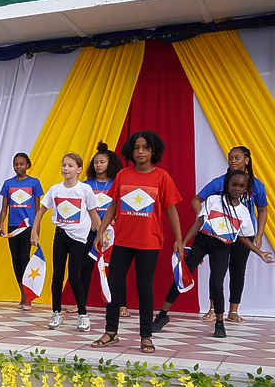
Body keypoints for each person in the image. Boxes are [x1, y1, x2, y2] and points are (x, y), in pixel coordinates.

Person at [90, 131, 184, 354]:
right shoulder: (123, 175)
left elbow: (171, 210)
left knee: (144, 288)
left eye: (145, 148)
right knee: (114, 284)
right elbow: (113, 206)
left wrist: (179, 240)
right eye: (136, 148)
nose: (140, 152)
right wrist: (100, 232)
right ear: (130, 151)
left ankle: (146, 335)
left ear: (153, 151)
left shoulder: (162, 177)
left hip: (149, 242)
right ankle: (111, 331)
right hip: (122, 240)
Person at [151, 170, 273, 338]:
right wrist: (183, 242)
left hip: (222, 247)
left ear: (246, 189)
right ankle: (162, 315)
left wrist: (260, 253)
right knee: (182, 277)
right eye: (234, 185)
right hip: (202, 242)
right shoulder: (213, 200)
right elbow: (199, 222)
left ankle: (219, 323)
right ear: (227, 185)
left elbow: (243, 238)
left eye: (241, 186)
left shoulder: (243, 212)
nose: (237, 188)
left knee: (217, 283)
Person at [192, 146, 268, 324]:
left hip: (244, 235)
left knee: (238, 270)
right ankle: (213, 309)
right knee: (217, 271)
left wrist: (258, 235)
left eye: (237, 157)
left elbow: (263, 210)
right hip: (221, 234)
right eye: (230, 157)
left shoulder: (256, 185)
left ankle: (233, 311)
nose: (232, 161)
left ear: (246, 160)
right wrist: (204, 218)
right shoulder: (219, 182)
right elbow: (197, 200)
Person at [30, 153, 100, 331]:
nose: (66, 168)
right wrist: (34, 231)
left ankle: (83, 315)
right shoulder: (55, 189)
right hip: (60, 236)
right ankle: (56, 312)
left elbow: (93, 214)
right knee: (57, 276)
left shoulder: (85, 190)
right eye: (64, 165)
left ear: (79, 169)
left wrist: (101, 235)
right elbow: (41, 211)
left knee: (75, 276)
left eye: (70, 166)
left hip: (79, 239)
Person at [79, 142, 129, 316]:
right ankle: (80, 304)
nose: (98, 165)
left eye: (102, 162)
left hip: (113, 232)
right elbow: (80, 207)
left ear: (110, 163)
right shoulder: (86, 185)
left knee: (116, 268)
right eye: (95, 162)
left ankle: (121, 304)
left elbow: (122, 206)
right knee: (85, 267)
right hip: (90, 231)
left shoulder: (118, 183)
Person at [0, 152, 43, 310]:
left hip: (27, 227)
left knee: (24, 259)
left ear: (27, 165)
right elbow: (4, 208)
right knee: (15, 260)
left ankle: (27, 297)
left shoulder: (34, 183)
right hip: (13, 228)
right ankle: (22, 294)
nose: (18, 167)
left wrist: (36, 229)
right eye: (16, 164)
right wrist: (1, 224)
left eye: (21, 164)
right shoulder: (8, 184)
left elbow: (38, 209)